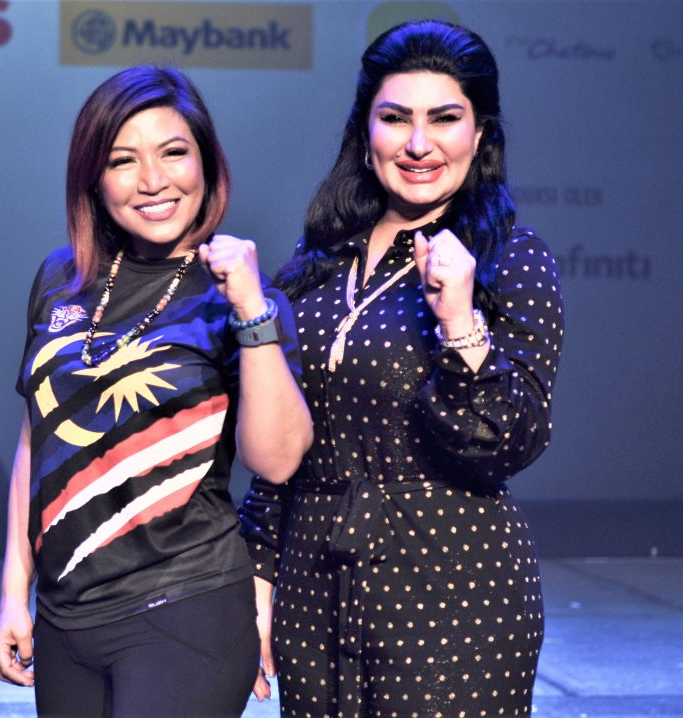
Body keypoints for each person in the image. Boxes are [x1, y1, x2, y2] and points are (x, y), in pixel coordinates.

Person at [240, 20, 564, 717]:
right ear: (366, 132)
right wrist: (259, 579)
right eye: (395, 118)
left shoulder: (509, 258)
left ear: (480, 134)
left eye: (444, 118)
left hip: (453, 590)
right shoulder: (315, 265)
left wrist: (459, 321)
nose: (419, 144)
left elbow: (509, 442)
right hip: (312, 588)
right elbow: (284, 449)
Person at [0, 66, 312, 717]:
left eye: (173, 153)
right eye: (123, 160)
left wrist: (251, 309)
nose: (153, 180)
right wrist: (13, 595)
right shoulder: (62, 278)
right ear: (93, 178)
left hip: (185, 608)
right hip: (66, 622)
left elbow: (277, 460)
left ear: (206, 163)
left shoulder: (239, 296)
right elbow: (36, 444)